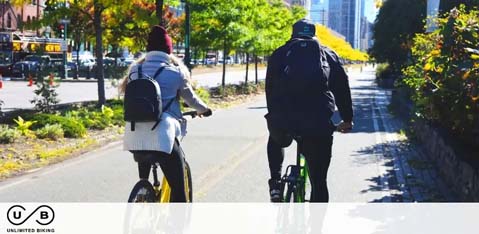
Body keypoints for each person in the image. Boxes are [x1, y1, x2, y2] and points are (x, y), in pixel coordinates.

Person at [265, 19, 354, 202]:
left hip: (284, 122)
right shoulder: (328, 55)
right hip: (318, 124)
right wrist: (347, 118)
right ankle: (316, 226)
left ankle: (275, 182)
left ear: (293, 34)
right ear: (314, 35)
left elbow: (270, 89)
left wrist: (274, 114)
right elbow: (342, 89)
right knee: (319, 182)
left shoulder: (280, 54)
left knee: (275, 137)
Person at [120, 25, 212, 202]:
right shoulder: (176, 72)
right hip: (163, 135)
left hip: (133, 134)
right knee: (178, 187)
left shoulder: (134, 70)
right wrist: (204, 110)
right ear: (169, 50)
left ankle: (143, 191)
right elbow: (191, 100)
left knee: (144, 169)